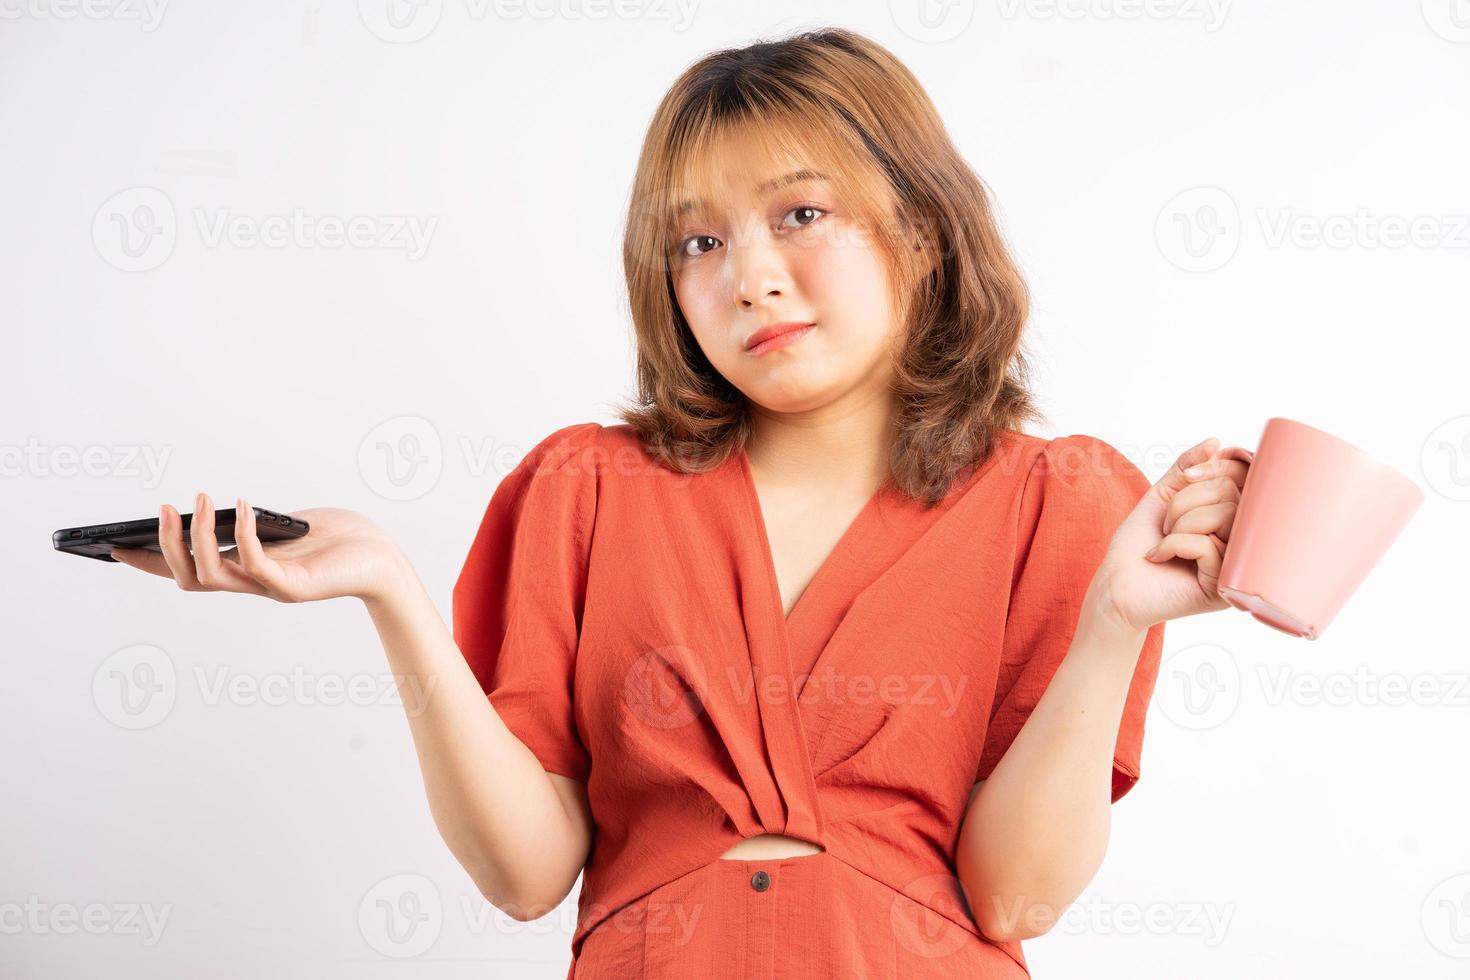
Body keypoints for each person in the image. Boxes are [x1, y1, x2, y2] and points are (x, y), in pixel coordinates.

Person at [111, 26, 1253, 980]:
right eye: (698, 240)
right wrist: (389, 588)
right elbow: (524, 873)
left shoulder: (1061, 502)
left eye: (800, 213)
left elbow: (1019, 896)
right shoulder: (585, 489)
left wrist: (1115, 623)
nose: (747, 274)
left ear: (919, 225)